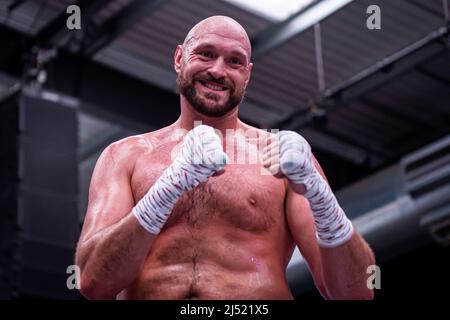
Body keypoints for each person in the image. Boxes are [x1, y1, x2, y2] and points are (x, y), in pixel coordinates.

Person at [75, 15, 375, 300]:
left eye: (234, 61)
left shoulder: (280, 157)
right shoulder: (125, 155)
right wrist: (168, 188)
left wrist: (320, 195)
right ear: (179, 58)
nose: (218, 70)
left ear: (248, 74)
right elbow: (92, 282)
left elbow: (356, 291)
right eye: (205, 54)